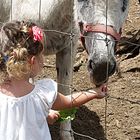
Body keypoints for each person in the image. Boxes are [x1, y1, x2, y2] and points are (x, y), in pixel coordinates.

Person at [0, 20, 107, 140]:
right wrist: (95, 93)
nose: (43, 60)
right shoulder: (42, 94)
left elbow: (17, 119)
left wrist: (43, 113)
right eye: (42, 55)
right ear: (33, 62)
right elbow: (69, 101)